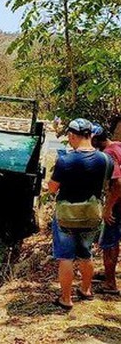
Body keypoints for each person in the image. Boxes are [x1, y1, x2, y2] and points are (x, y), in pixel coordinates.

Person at [48, 118, 119, 310]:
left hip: (66, 216)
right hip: (91, 215)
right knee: (86, 254)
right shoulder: (105, 159)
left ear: (72, 136)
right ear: (91, 135)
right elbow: (114, 183)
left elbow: (52, 189)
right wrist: (108, 207)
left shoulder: (65, 160)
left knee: (66, 257)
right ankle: (86, 290)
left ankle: (66, 299)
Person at [91, 123, 121, 295]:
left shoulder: (108, 155)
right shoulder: (117, 145)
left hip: (118, 203)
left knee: (109, 242)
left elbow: (118, 184)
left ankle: (110, 283)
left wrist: (108, 207)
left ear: (95, 139)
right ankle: (108, 274)